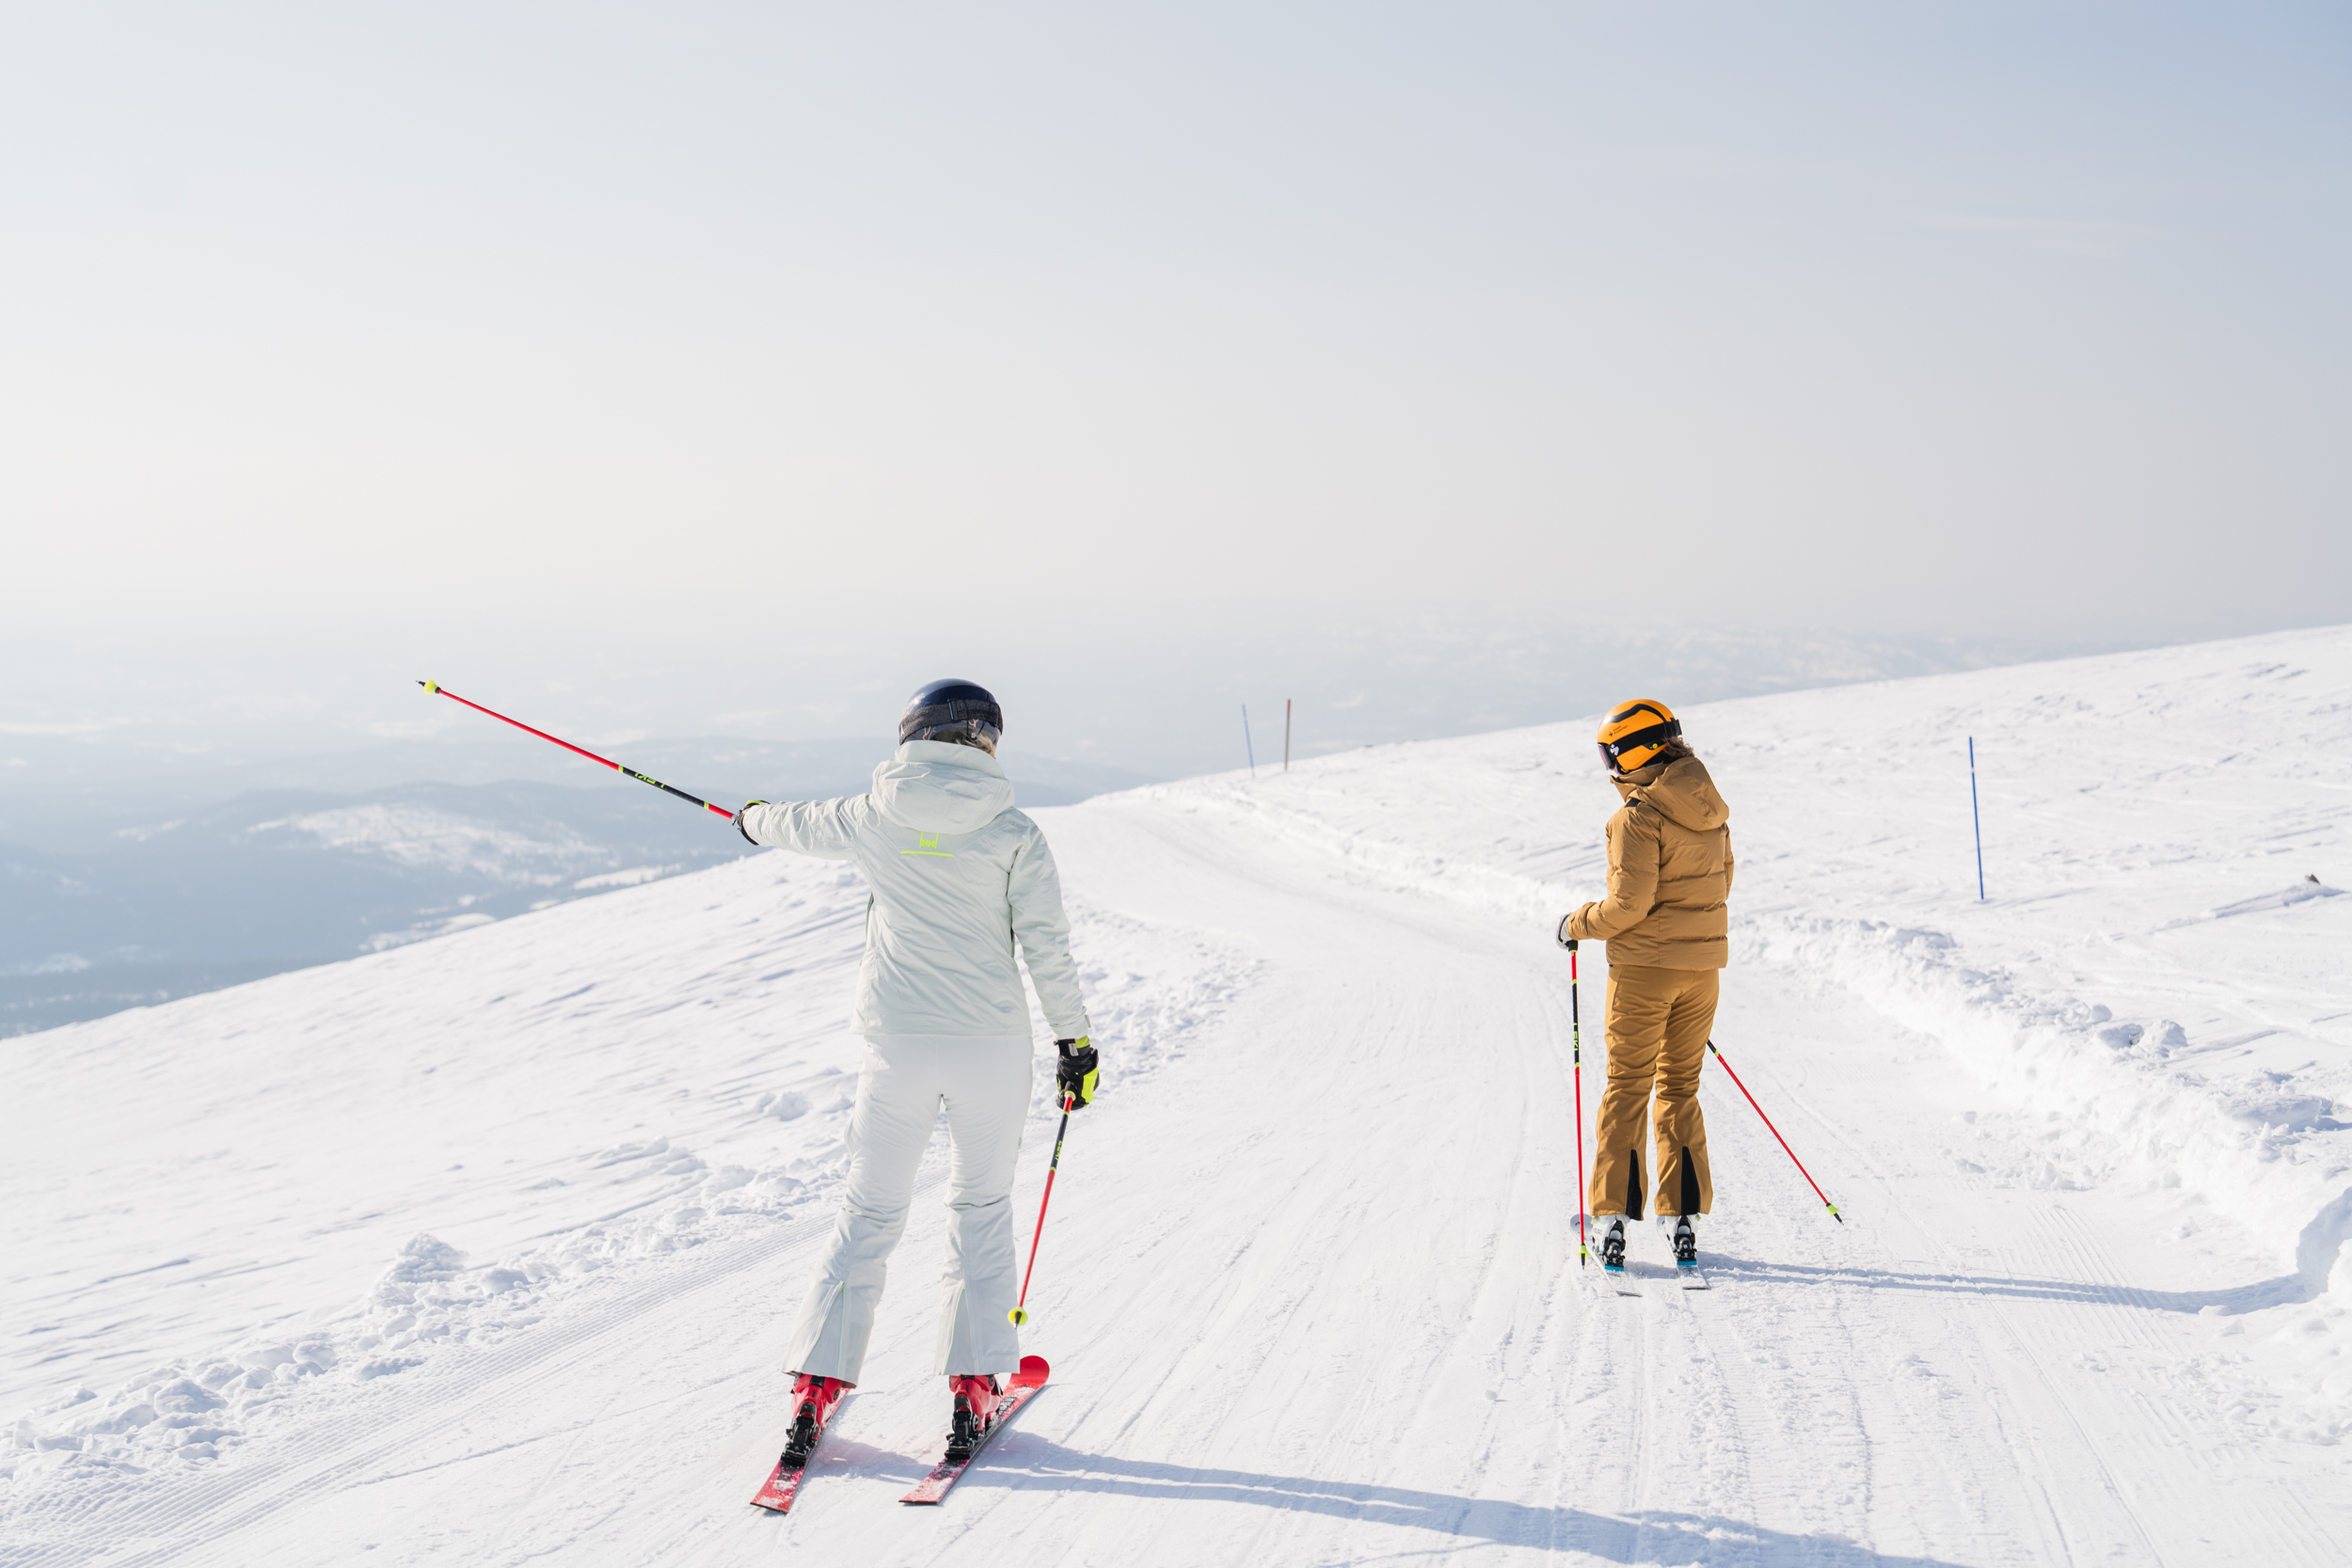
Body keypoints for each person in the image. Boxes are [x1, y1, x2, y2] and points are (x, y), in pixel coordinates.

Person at [734, 678, 1100, 1465]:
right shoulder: (1014, 832)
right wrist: (1076, 1043)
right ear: (982, 740)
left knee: (868, 1214)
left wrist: (746, 820)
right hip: (992, 1050)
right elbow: (1047, 945)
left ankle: (816, 1386)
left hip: (896, 1049)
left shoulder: (871, 815)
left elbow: (789, 824)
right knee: (979, 1204)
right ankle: (972, 1384)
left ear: (916, 735)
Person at [1555, 698, 1733, 1272]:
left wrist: (1575, 923)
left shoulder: (1637, 817)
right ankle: (1682, 1216)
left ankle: (1610, 1217)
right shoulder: (1711, 808)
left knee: (1627, 1086)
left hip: (1644, 975)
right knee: (1679, 1087)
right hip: (1701, 974)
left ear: (1636, 748)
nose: (1608, 763)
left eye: (1610, 751)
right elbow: (1720, 882)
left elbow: (1628, 906)